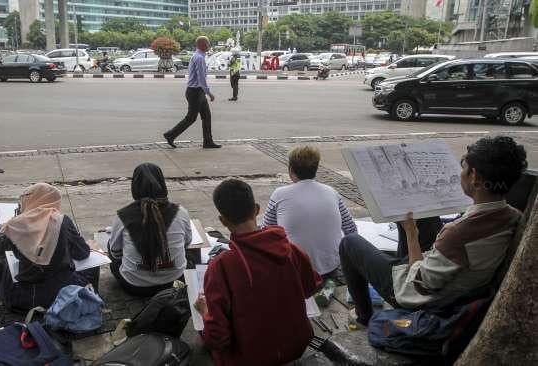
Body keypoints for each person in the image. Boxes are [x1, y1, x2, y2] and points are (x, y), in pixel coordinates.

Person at [339, 136, 527, 327]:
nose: (460, 173)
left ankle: (364, 316)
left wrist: (412, 235)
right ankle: (399, 258)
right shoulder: (514, 216)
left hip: (423, 300)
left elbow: (418, 284)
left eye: (463, 168)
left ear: (474, 176)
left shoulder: (457, 233)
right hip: (459, 277)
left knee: (350, 243)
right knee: (424, 219)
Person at [195, 179, 323, 366]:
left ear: (222, 221)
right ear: (256, 209)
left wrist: (205, 311)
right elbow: (312, 287)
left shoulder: (222, 266)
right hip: (298, 345)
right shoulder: (291, 250)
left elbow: (217, 338)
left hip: (249, 358)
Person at [0, 183, 99, 310]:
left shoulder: (14, 225)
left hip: (23, 298)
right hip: (62, 295)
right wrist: (89, 246)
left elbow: (18, 256)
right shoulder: (62, 221)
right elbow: (82, 253)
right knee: (94, 264)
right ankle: (91, 298)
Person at [262, 146, 357, 281]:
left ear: (291, 170)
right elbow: (351, 229)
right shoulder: (331, 191)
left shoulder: (279, 194)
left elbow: (266, 233)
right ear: (316, 169)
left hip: (296, 270)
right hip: (331, 267)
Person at [108, 163, 191, 297]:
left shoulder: (122, 216)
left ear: (134, 186)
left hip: (135, 287)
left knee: (111, 251)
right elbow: (187, 243)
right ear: (162, 183)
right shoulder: (181, 212)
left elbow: (116, 253)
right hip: (174, 282)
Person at [163, 36, 221, 149]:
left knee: (206, 116)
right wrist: (209, 93)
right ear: (202, 45)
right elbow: (201, 78)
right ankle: (170, 135)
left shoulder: (197, 56)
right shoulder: (199, 58)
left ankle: (208, 141)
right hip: (195, 92)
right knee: (191, 118)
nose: (209, 46)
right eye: (208, 43)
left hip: (197, 91)